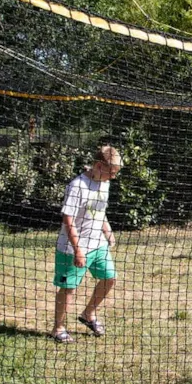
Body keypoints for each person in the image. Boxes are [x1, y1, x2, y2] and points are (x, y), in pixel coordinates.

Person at [51, 145, 122, 343]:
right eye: (112, 172)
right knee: (69, 288)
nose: (113, 177)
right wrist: (77, 250)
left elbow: (99, 210)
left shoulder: (104, 183)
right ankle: (58, 329)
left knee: (109, 278)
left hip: (97, 244)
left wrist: (107, 230)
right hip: (72, 248)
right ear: (99, 166)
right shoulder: (77, 186)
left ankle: (88, 314)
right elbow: (68, 219)